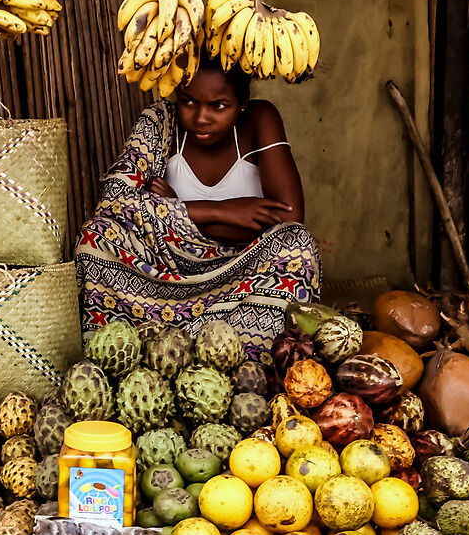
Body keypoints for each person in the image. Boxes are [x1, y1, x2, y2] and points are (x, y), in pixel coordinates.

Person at [76, 65, 320, 351]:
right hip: (167, 276)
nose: (201, 117)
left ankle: (241, 351)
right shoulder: (160, 122)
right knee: (95, 237)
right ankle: (126, 350)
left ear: (241, 103)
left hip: (244, 276)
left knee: (297, 244)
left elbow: (288, 217)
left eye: (218, 105)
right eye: (188, 101)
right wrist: (222, 211)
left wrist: (169, 212)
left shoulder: (260, 118)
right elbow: (115, 202)